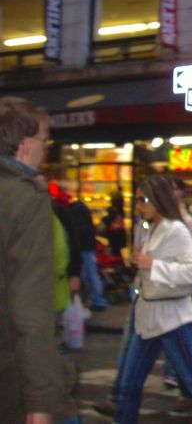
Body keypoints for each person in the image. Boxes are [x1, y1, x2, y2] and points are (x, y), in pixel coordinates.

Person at [114, 175, 192, 424]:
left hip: (172, 319)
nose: (138, 205)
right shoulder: (149, 228)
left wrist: (154, 265)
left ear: (157, 200)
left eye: (142, 200)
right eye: (136, 200)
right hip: (148, 316)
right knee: (128, 384)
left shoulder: (175, 229)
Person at [0, 96, 72, 423]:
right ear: (26, 145)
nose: (47, 148)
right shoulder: (26, 198)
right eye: (45, 140)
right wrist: (40, 399)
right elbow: (29, 306)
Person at [68, 197, 108, 310]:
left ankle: (98, 300)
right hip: (89, 246)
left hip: (85, 247)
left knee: (90, 274)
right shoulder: (82, 211)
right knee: (91, 274)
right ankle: (96, 299)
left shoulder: (75, 212)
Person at [100, 189, 127, 256]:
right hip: (120, 234)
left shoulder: (111, 211)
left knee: (113, 252)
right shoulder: (121, 211)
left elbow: (105, 220)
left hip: (113, 234)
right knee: (118, 252)